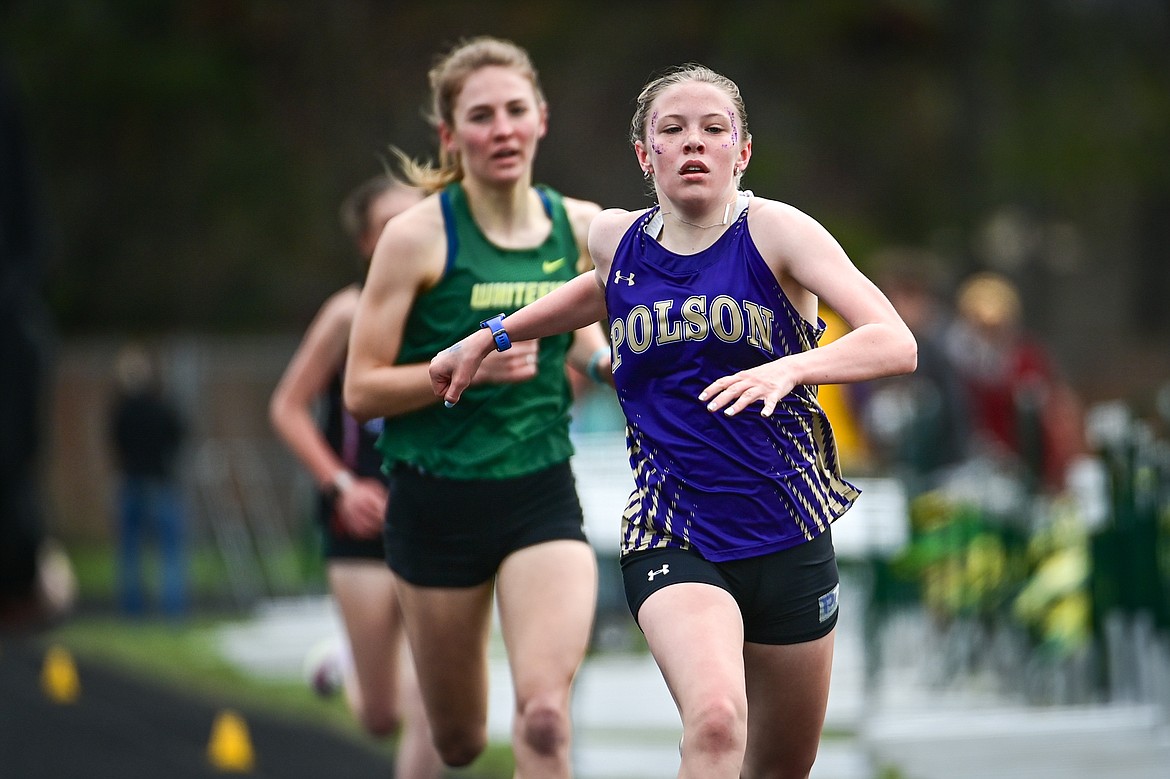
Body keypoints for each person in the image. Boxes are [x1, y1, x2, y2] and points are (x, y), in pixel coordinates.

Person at [429, 64, 918, 778]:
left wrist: (791, 367)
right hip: (674, 531)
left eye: (714, 130)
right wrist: (494, 334)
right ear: (644, 153)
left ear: (741, 151)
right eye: (673, 129)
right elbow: (600, 290)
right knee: (717, 720)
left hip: (788, 534)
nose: (694, 143)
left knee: (778, 767)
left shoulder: (777, 231)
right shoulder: (615, 240)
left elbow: (895, 341)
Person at [343, 37, 607, 775]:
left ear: (541, 120)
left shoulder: (580, 226)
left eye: (515, 111)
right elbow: (360, 389)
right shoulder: (415, 238)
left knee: (547, 717)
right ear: (450, 135)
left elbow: (579, 336)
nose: (502, 129)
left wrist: (614, 363)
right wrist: (467, 371)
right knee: (457, 740)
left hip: (539, 493)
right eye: (481, 115)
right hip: (435, 504)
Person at [268, 174, 444, 777]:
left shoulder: (451, 306)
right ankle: (353, 662)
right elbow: (287, 408)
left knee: (434, 703)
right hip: (359, 521)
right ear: (369, 242)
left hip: (435, 516)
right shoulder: (347, 313)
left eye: (423, 218)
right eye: (396, 223)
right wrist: (340, 484)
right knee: (379, 716)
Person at [108, 343, 189, 618]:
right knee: (169, 549)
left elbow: (115, 442)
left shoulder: (122, 411)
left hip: (132, 480)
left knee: (131, 550)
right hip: (160, 481)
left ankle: (133, 610)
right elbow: (179, 435)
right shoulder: (162, 407)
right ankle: (172, 610)